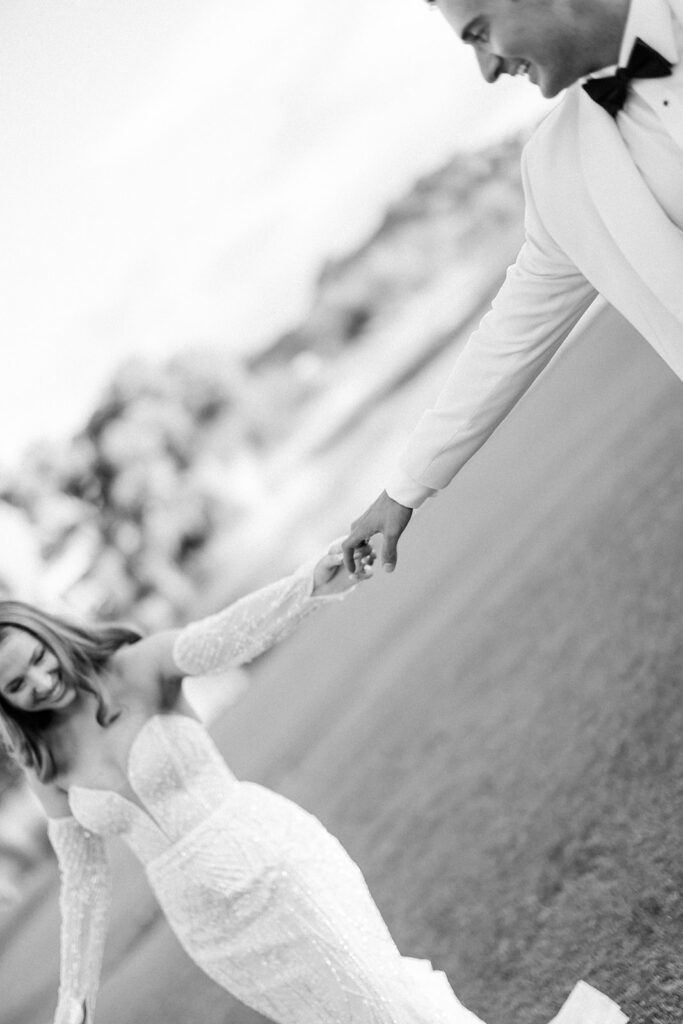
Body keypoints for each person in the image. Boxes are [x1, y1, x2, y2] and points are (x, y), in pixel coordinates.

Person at [0, 545, 626, 1024]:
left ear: (47, 633)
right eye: (17, 686)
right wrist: (74, 1003)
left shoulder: (135, 669)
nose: (40, 683)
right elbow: (83, 885)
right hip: (214, 932)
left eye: (36, 659)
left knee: (384, 1002)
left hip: (276, 867)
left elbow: (227, 635)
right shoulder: (45, 767)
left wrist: (311, 585)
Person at [342, 0, 683, 574]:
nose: (487, 68)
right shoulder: (558, 172)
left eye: (481, 33)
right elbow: (508, 339)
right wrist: (403, 488)